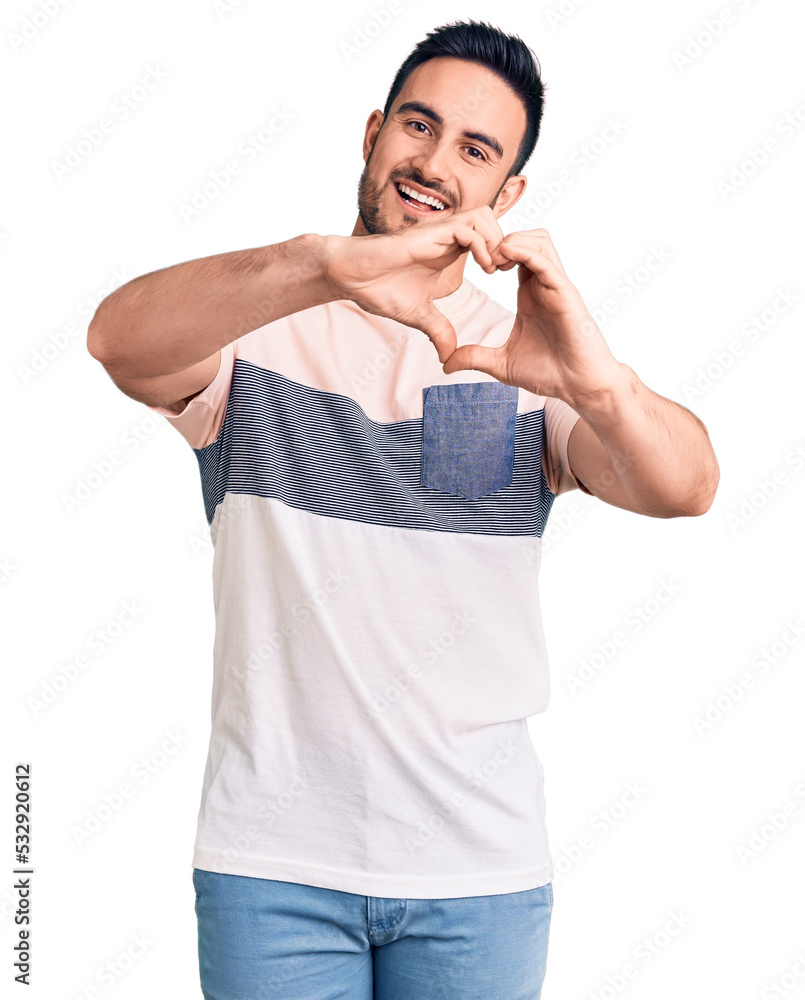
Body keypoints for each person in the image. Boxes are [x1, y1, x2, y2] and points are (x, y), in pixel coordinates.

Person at [86, 19, 719, 1000]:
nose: (434, 164)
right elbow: (116, 341)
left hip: (478, 879)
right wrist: (321, 265)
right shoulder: (254, 330)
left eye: (476, 150)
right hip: (271, 868)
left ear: (507, 195)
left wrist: (597, 386)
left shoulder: (525, 360)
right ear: (373, 133)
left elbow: (687, 487)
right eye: (418, 127)